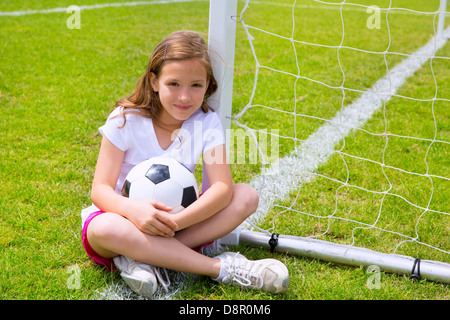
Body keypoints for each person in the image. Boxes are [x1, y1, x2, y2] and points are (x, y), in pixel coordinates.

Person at [81, 30, 289, 299]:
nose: (184, 97)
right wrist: (135, 212)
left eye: (196, 86)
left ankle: (142, 257)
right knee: (105, 228)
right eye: (174, 84)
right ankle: (221, 268)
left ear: (207, 86)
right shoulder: (124, 119)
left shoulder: (206, 122)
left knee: (245, 196)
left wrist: (175, 222)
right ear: (154, 81)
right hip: (121, 221)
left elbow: (222, 188)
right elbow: (100, 190)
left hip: (181, 223)